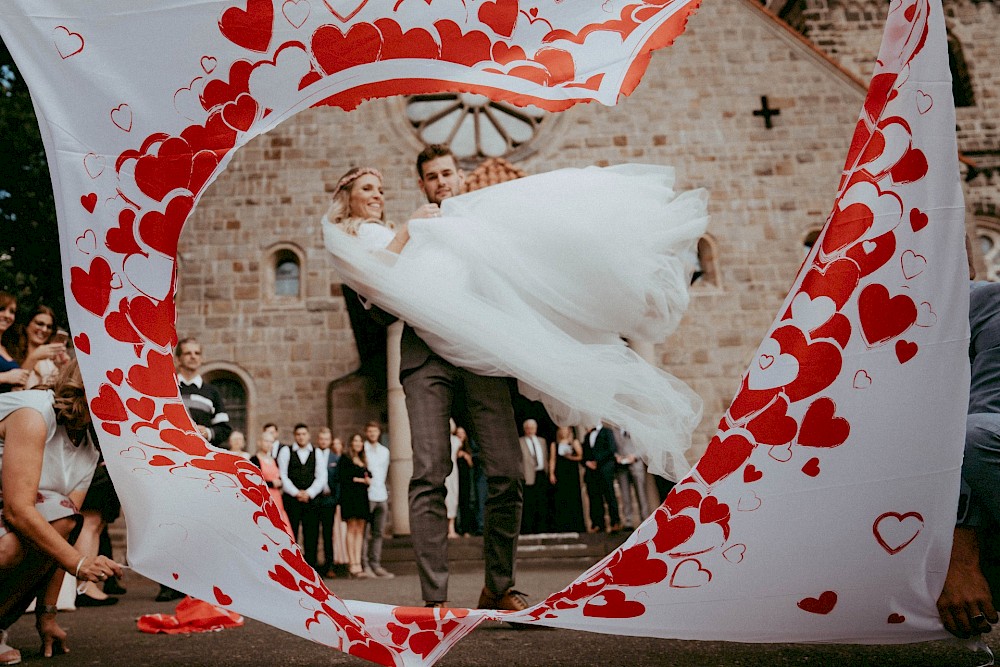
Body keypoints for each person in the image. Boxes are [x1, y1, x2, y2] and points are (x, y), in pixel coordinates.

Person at [323, 153, 530, 611]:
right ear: (422, 184)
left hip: (480, 355)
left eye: (447, 174)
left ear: (459, 177)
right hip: (425, 360)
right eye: (432, 177)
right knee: (430, 472)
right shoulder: (408, 231)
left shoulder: (480, 223)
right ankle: (434, 603)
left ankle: (498, 587)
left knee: (508, 473)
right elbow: (377, 308)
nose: (441, 182)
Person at [0, 358, 123, 663]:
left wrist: (47, 616)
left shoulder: (88, 451)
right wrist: (80, 564)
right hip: (9, 508)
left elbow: (61, 534)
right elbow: (17, 510)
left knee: (61, 516)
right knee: (9, 546)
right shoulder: (34, 413)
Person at [936, 255, 1000, 639]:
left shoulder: (989, 304)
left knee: (974, 436)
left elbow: (983, 419)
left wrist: (955, 557)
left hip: (984, 461)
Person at [277, 424, 324, 569]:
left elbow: (321, 476)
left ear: (308, 435)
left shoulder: (317, 452)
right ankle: (292, 568)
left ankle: (311, 568)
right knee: (292, 535)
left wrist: (309, 493)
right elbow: (283, 475)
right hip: (292, 500)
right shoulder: (286, 451)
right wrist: (296, 493)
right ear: (294, 435)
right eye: (298, 434)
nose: (301, 437)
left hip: (311, 500)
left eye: (304, 434)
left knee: (312, 534)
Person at [174, 338, 232, 448]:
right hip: (172, 454)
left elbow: (224, 429)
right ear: (177, 359)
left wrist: (207, 432)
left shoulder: (212, 392)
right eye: (187, 353)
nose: (193, 356)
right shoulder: (169, 388)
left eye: (197, 353)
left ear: (201, 359)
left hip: (200, 456)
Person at [361, 421, 394, 578]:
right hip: (367, 494)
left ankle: (376, 563)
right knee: (365, 531)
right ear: (366, 433)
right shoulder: (363, 449)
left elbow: (384, 472)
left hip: (381, 494)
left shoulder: (384, 451)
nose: (373, 434)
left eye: (375, 431)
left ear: (379, 433)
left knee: (378, 532)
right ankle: (364, 563)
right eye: (370, 431)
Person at [337, 434, 372, 579]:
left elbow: (369, 475)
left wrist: (366, 480)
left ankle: (358, 562)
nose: (358, 443)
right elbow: (343, 477)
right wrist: (361, 480)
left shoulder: (363, 459)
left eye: (360, 441)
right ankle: (352, 563)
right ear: (351, 443)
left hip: (362, 497)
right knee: (351, 529)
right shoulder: (345, 458)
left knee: (360, 530)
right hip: (350, 497)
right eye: (355, 441)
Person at [9, 305, 68, 389]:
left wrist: (64, 366)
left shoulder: (52, 360)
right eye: (40, 324)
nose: (44, 329)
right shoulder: (11, 352)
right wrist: (34, 357)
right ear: (27, 324)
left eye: (49, 327)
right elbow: (15, 389)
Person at [582, 422, 621, 533]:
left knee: (610, 496)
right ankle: (598, 523)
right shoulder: (587, 436)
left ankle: (615, 522)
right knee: (595, 498)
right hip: (591, 472)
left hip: (605, 470)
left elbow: (611, 449)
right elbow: (584, 453)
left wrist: (597, 461)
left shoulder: (607, 432)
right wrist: (587, 462)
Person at [249, 431, 290, 530]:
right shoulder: (254, 459)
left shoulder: (274, 459)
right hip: (264, 497)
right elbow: (253, 481)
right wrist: (271, 483)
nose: (268, 444)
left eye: (271, 442)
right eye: (266, 441)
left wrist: (279, 482)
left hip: (276, 497)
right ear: (259, 442)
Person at [549, 426, 585, 533]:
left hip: (572, 473)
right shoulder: (554, 444)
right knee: (561, 498)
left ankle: (576, 525)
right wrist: (551, 473)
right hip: (560, 473)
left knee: (573, 497)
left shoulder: (574, 442)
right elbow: (552, 459)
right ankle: (562, 525)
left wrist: (570, 457)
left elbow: (580, 456)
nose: (563, 432)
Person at [314, 427, 339, 578]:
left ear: (330, 441)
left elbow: (338, 480)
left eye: (326, 439)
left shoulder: (335, 458)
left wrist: (336, 499)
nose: (323, 441)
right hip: (316, 499)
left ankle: (329, 565)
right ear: (318, 440)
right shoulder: (314, 455)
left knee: (328, 534)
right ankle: (316, 567)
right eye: (321, 439)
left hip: (329, 499)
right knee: (314, 533)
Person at [613, 428, 651, 530]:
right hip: (621, 467)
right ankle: (628, 521)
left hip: (636, 465)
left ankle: (645, 519)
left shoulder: (635, 428)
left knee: (641, 493)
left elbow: (644, 446)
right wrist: (617, 457)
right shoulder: (614, 431)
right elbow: (613, 447)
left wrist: (635, 456)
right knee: (625, 494)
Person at [519, 419, 549, 535]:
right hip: (528, 476)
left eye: (532, 428)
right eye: (528, 428)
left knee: (542, 502)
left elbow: (546, 457)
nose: (530, 430)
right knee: (530, 503)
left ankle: (542, 528)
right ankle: (529, 529)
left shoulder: (542, 441)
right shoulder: (520, 441)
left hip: (541, 474)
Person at [0, 293, 29, 393]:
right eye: (2, 309)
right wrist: (5, 377)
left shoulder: (8, 347)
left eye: (12, 312)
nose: (7, 315)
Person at [446, 419, 462, 539]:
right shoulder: (439, 441)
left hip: (453, 472)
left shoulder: (456, 441)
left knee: (452, 498)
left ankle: (451, 528)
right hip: (442, 471)